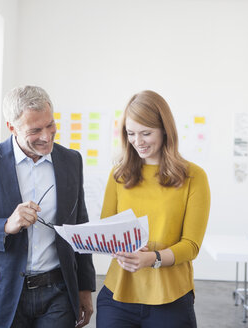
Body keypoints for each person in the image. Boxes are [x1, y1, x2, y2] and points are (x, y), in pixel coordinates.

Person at [0, 85, 96, 328]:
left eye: (50, 125)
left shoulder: (71, 160)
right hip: (3, 293)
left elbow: (80, 224)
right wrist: (5, 226)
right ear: (12, 127)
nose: (46, 136)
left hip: (58, 289)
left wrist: (85, 288)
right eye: (35, 130)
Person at [96, 90, 210, 328]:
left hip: (170, 297)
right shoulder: (119, 175)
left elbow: (191, 246)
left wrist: (152, 258)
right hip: (118, 295)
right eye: (131, 134)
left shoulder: (193, 177)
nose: (138, 141)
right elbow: (107, 229)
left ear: (165, 130)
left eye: (146, 133)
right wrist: (118, 245)